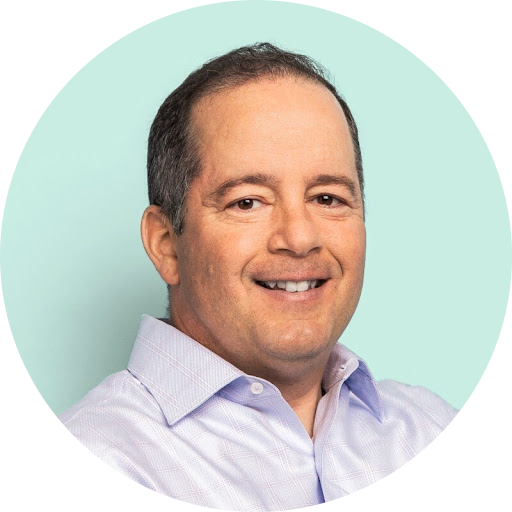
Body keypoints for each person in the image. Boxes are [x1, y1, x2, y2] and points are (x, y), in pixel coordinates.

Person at [59, 43, 457, 508]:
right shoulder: (108, 452)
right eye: (247, 201)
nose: (300, 237)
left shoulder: (428, 426)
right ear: (166, 244)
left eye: (327, 198)